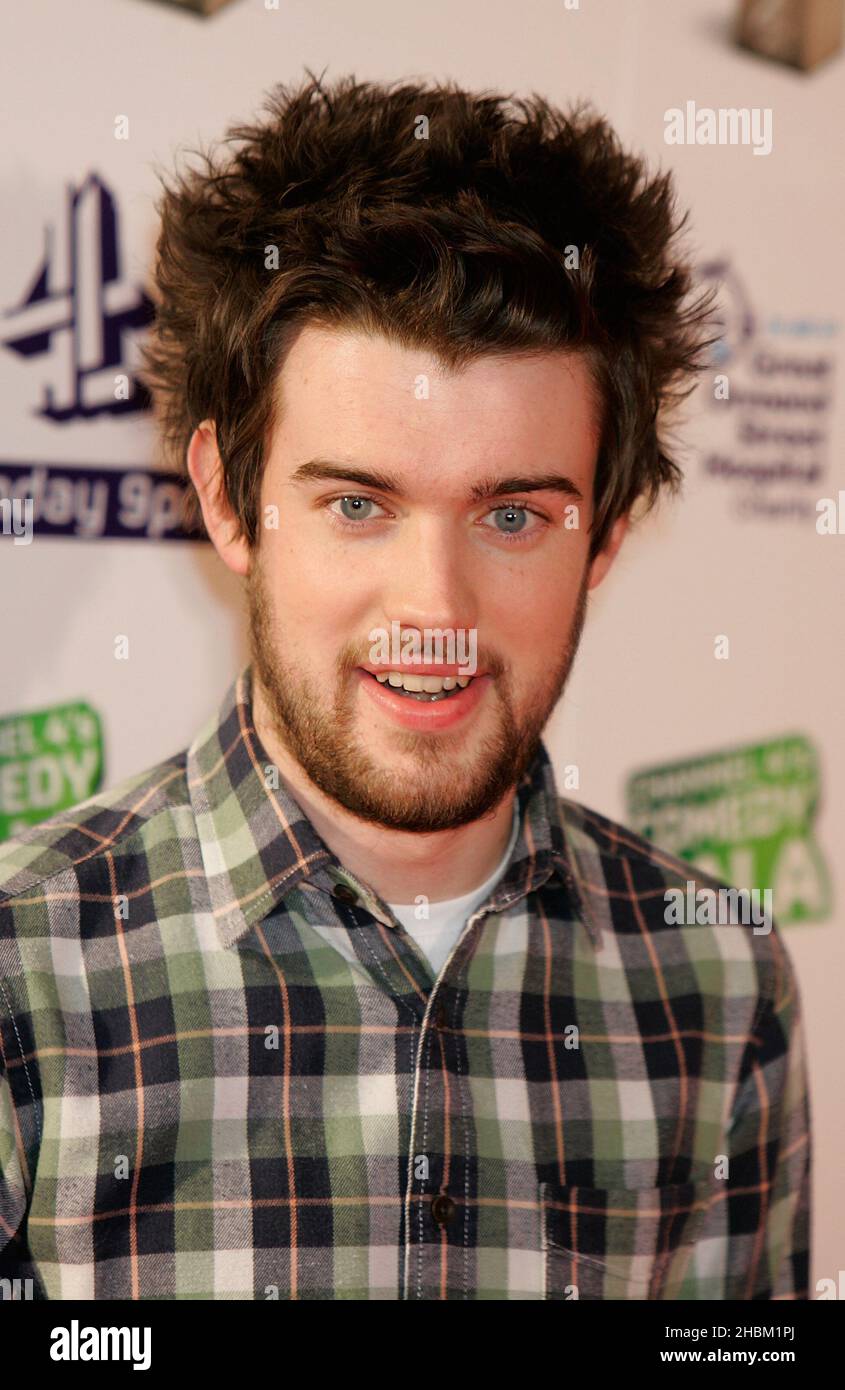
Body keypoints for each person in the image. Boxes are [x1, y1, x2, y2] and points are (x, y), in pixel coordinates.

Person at [0, 72, 810, 1300]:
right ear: (228, 497)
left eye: (513, 514)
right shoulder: (26, 975)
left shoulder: (715, 986)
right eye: (359, 505)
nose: (433, 608)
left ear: (607, 533)